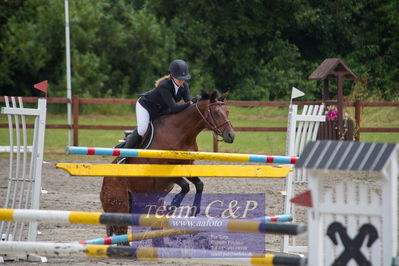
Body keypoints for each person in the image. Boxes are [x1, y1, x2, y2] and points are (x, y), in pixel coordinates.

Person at [124, 59, 193, 148]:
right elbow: (174, 108)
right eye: (179, 78)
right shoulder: (164, 85)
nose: (181, 80)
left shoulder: (184, 86)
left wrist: (199, 100)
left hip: (161, 109)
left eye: (183, 78)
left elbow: (189, 102)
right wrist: (189, 104)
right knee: (142, 129)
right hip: (146, 106)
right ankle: (124, 154)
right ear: (172, 76)